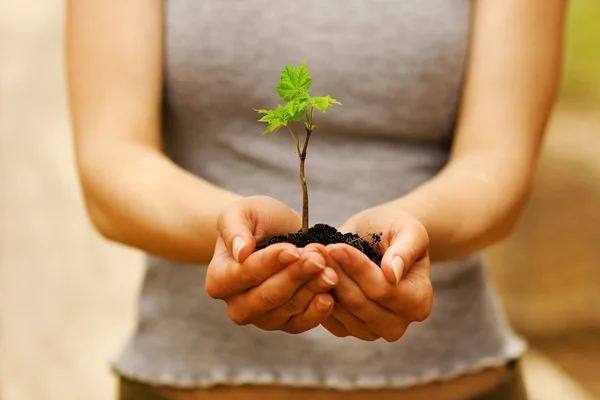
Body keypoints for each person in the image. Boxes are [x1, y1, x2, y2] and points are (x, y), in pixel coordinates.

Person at [66, 0, 565, 399]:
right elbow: (113, 163)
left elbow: (498, 162)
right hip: (187, 379)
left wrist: (405, 237)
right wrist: (240, 237)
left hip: (456, 379)